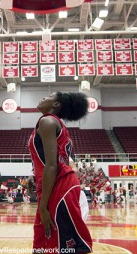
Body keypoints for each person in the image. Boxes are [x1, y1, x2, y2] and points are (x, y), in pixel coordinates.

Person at [28, 91, 92, 253]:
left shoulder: (47, 122)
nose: (43, 97)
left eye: (48, 96)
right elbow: (52, 159)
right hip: (55, 183)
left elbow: (52, 165)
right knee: (45, 241)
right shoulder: (54, 124)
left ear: (56, 104)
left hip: (59, 185)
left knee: (66, 245)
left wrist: (43, 208)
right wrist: (34, 174)